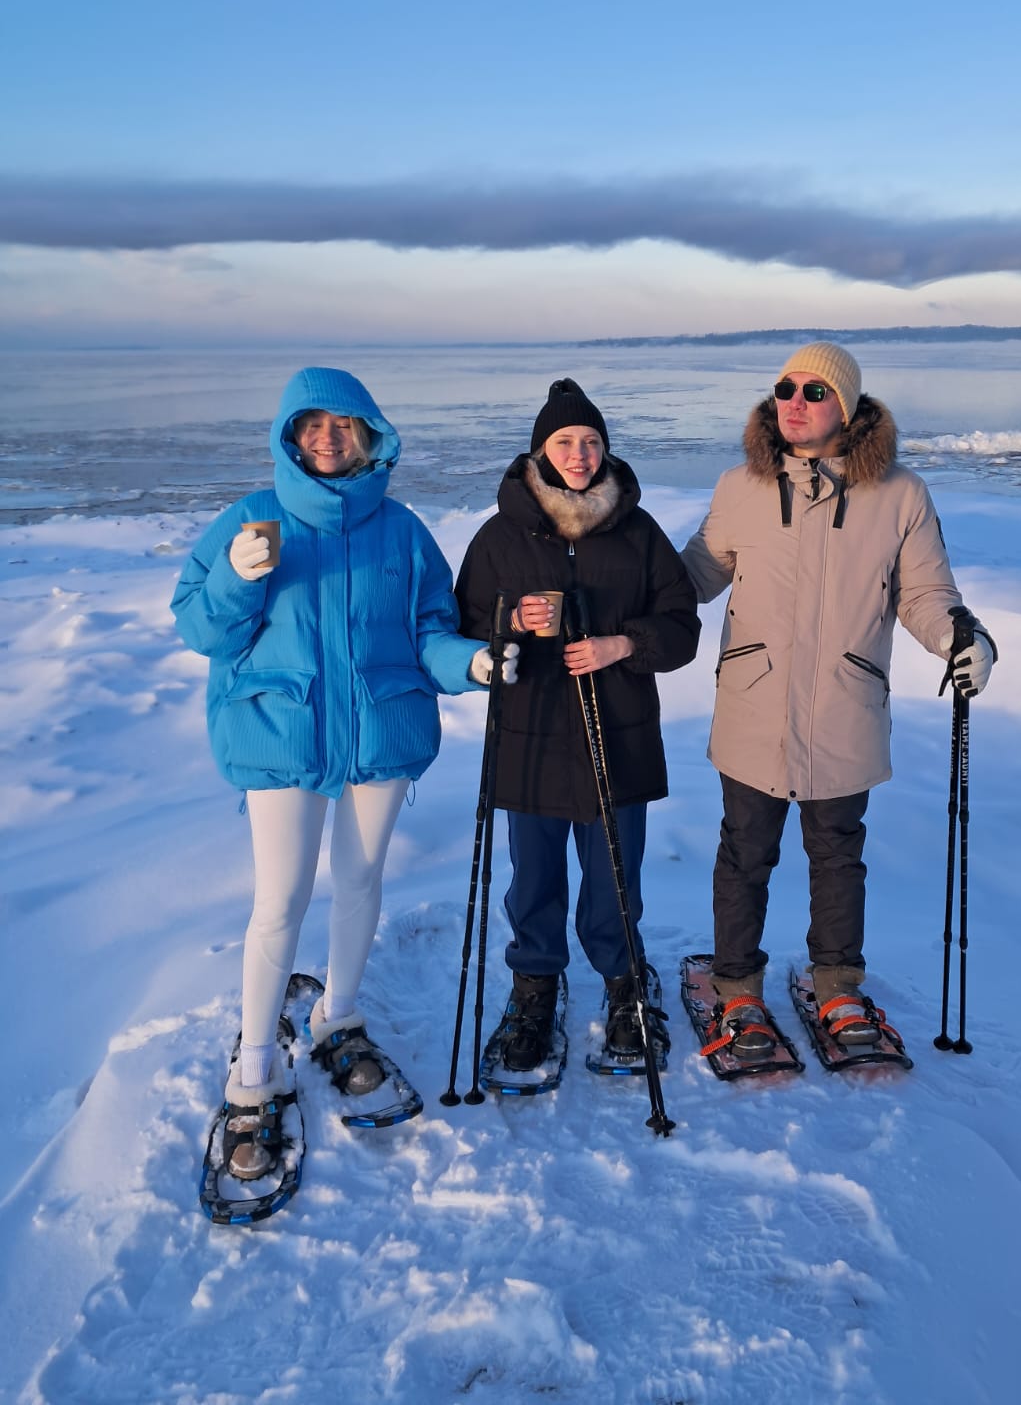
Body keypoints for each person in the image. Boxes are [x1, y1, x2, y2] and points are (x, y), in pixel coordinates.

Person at [171, 367, 513, 1181]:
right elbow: (202, 629)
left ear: (369, 433)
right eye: (311, 424)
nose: (327, 437)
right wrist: (236, 577)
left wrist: (471, 662)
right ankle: (256, 1064)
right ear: (291, 435)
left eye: (344, 424)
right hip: (282, 737)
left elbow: (430, 631)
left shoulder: (402, 532)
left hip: (378, 734)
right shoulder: (251, 520)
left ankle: (339, 1017)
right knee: (280, 899)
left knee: (360, 881)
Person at [681, 341, 996, 1057]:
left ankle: (838, 985)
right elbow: (693, 576)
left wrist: (962, 639)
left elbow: (924, 593)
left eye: (814, 392)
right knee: (744, 853)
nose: (795, 402)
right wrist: (615, 584)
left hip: (844, 706)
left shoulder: (900, 494)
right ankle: (736, 991)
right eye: (785, 388)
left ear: (847, 407)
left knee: (837, 853)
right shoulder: (741, 488)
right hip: (755, 707)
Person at [454, 378, 701, 1073]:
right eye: (565, 442)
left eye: (592, 441)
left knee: (615, 874)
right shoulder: (502, 534)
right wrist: (511, 619)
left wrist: (624, 645)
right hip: (531, 735)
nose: (581, 454)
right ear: (539, 451)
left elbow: (682, 626)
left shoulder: (639, 533)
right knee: (532, 875)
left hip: (615, 732)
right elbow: (465, 624)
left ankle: (624, 982)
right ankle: (535, 982)